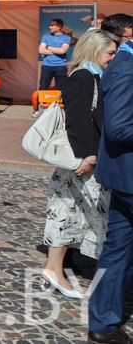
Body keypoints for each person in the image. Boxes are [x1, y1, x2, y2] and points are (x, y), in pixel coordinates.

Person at [41, 29, 117, 299]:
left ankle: (54, 269)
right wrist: (90, 155)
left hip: (84, 159)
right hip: (80, 160)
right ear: (95, 49)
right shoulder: (82, 76)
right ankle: (55, 269)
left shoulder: (92, 75)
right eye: (110, 52)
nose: (113, 57)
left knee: (70, 211)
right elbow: (78, 120)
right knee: (68, 212)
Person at [88, 27, 133, 343]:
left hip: (126, 177)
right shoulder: (125, 67)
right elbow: (119, 129)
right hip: (128, 176)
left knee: (118, 250)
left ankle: (103, 325)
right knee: (118, 250)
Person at [39, 18, 72, 90]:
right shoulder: (46, 36)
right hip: (46, 66)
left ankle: (58, 102)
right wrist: (57, 51)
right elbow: (41, 50)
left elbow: (63, 51)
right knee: (43, 88)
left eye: (52, 25)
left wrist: (48, 47)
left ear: (59, 27)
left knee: (61, 89)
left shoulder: (67, 38)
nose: (50, 27)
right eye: (50, 25)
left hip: (60, 66)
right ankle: (41, 102)